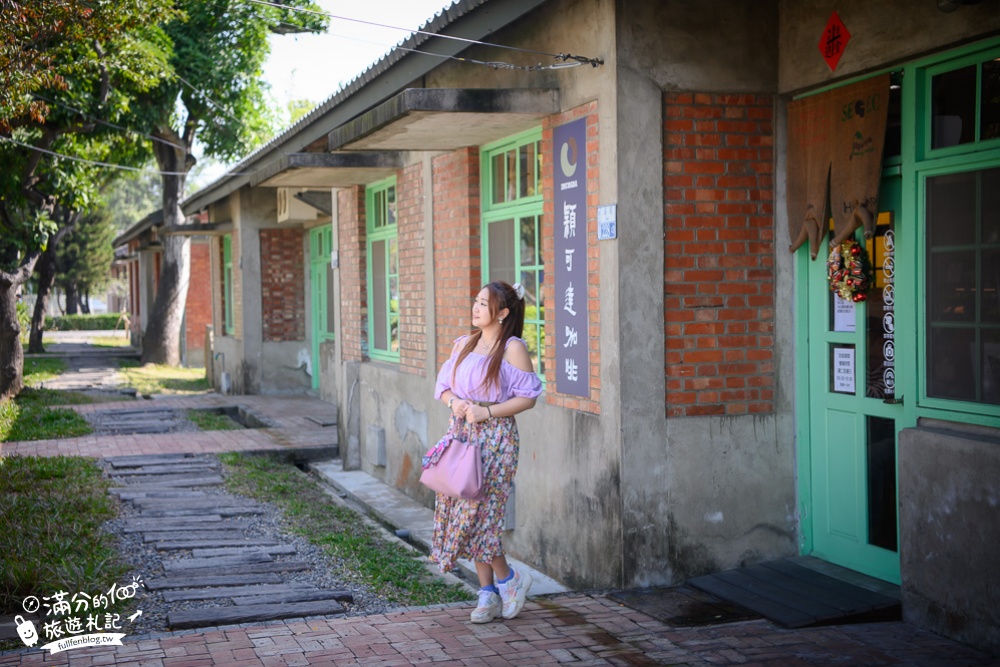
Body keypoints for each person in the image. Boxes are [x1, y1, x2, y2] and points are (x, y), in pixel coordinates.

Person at [432, 280, 542, 623]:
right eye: (476, 301)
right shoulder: (465, 344)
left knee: (483, 516)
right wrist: (457, 404)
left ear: (503, 312)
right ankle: (491, 591)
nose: (476, 308)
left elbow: (529, 397)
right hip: (463, 436)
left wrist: (488, 411)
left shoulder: (512, 348)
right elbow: (443, 387)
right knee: (465, 512)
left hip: (496, 440)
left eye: (483, 303)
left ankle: (505, 583)